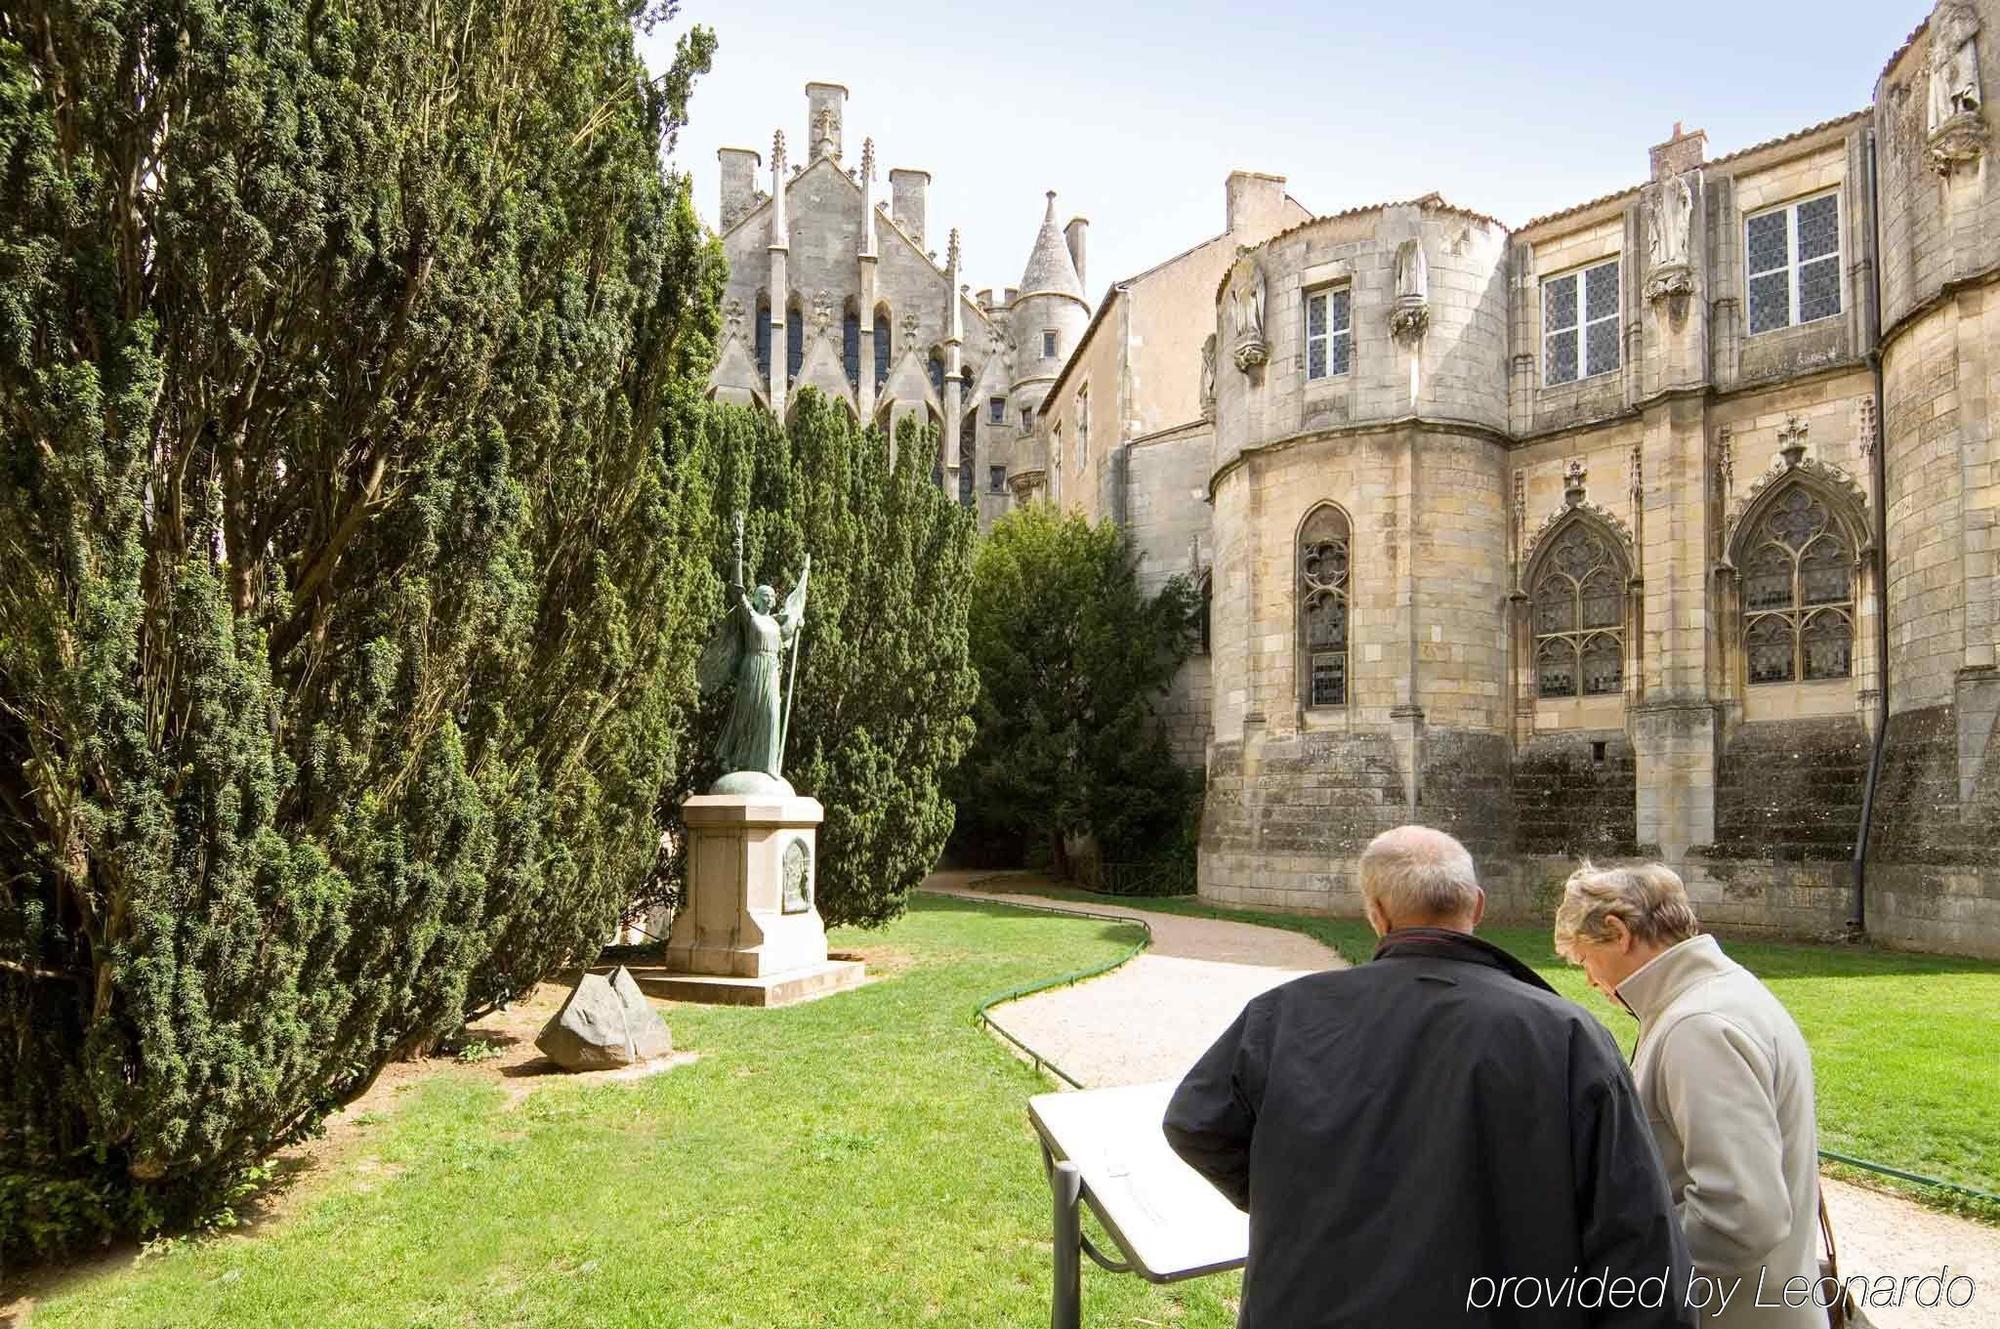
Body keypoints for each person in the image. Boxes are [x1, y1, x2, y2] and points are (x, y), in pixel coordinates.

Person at [1165, 826, 1692, 1328]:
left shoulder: (1282, 1015)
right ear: (1478, 905)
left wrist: (1300, 1192)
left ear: (1376, 913)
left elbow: (1195, 1121)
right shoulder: (1566, 1034)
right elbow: (1637, 1235)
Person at [1555, 863, 1822, 1329]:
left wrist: (1624, 1272)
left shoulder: (1697, 1024)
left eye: (1583, 960)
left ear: (1618, 933)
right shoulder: (1720, 995)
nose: (1590, 981)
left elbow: (1742, 1215)